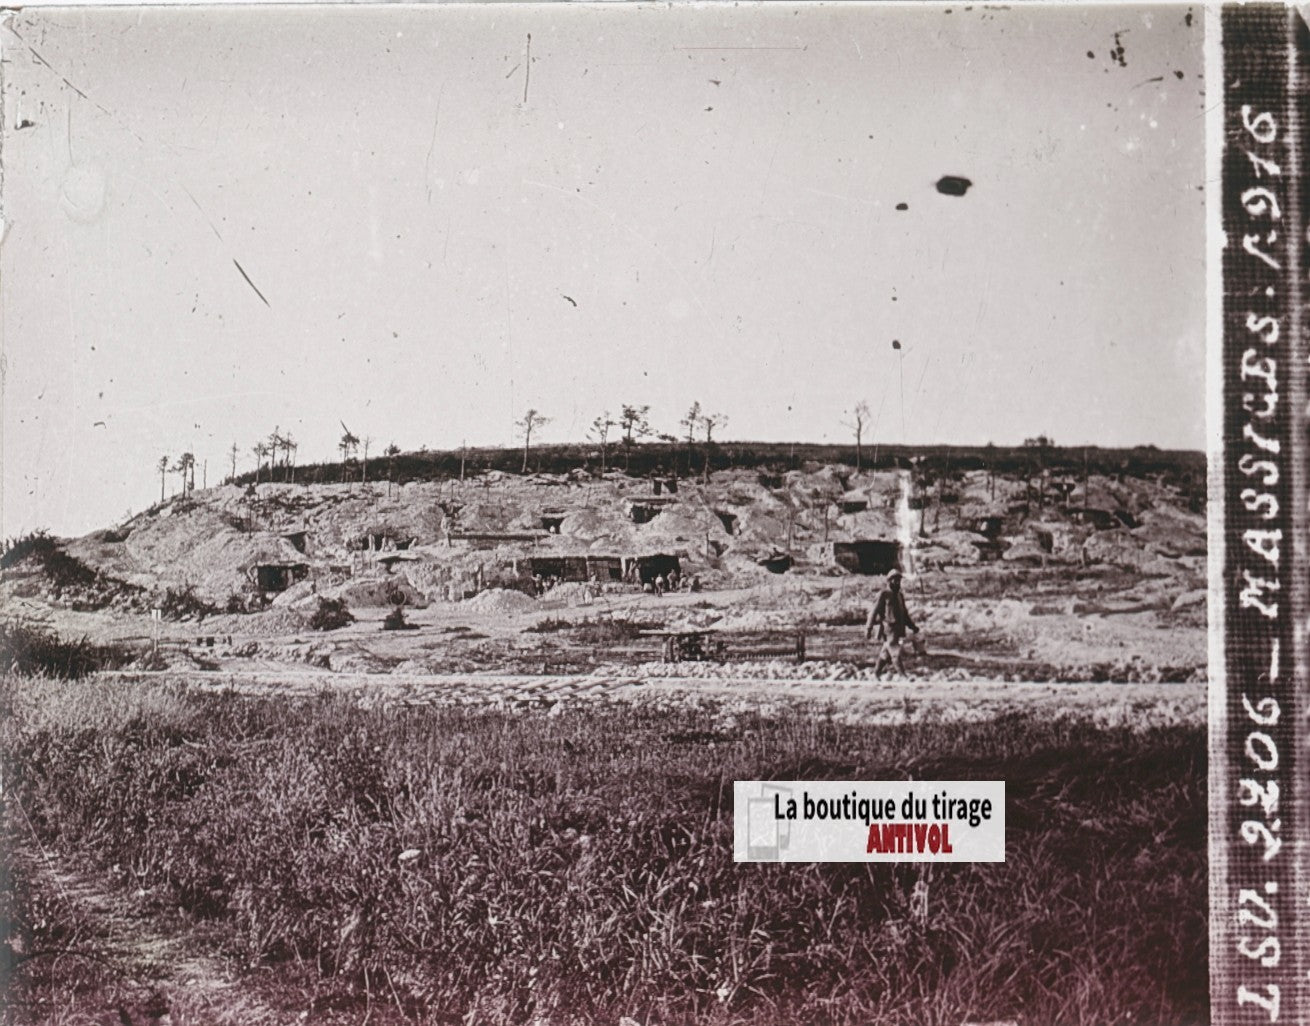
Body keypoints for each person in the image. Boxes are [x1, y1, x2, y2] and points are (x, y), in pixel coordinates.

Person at [865, 568, 919, 679]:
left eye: (899, 580)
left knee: (886, 653)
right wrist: (869, 628)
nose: (898, 582)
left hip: (899, 629)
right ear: (889, 581)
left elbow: (905, 614)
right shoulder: (884, 594)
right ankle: (902, 675)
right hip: (888, 628)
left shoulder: (900, 596)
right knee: (895, 651)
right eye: (895, 580)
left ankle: (876, 673)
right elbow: (874, 611)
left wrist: (912, 626)